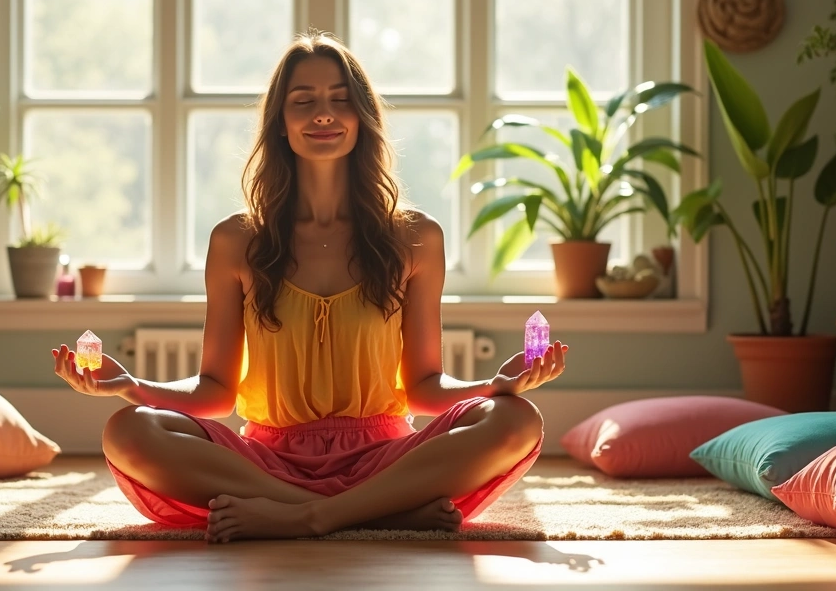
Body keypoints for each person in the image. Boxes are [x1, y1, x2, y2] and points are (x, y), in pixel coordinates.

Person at [51, 31, 568, 543]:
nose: (324, 114)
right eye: (304, 101)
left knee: (515, 419)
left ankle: (310, 517)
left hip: (387, 460)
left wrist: (493, 387)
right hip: (265, 465)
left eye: (340, 100)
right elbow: (214, 392)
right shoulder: (237, 240)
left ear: (363, 119)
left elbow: (425, 388)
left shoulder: (415, 237)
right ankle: (374, 515)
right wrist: (129, 387)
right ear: (280, 123)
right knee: (128, 429)